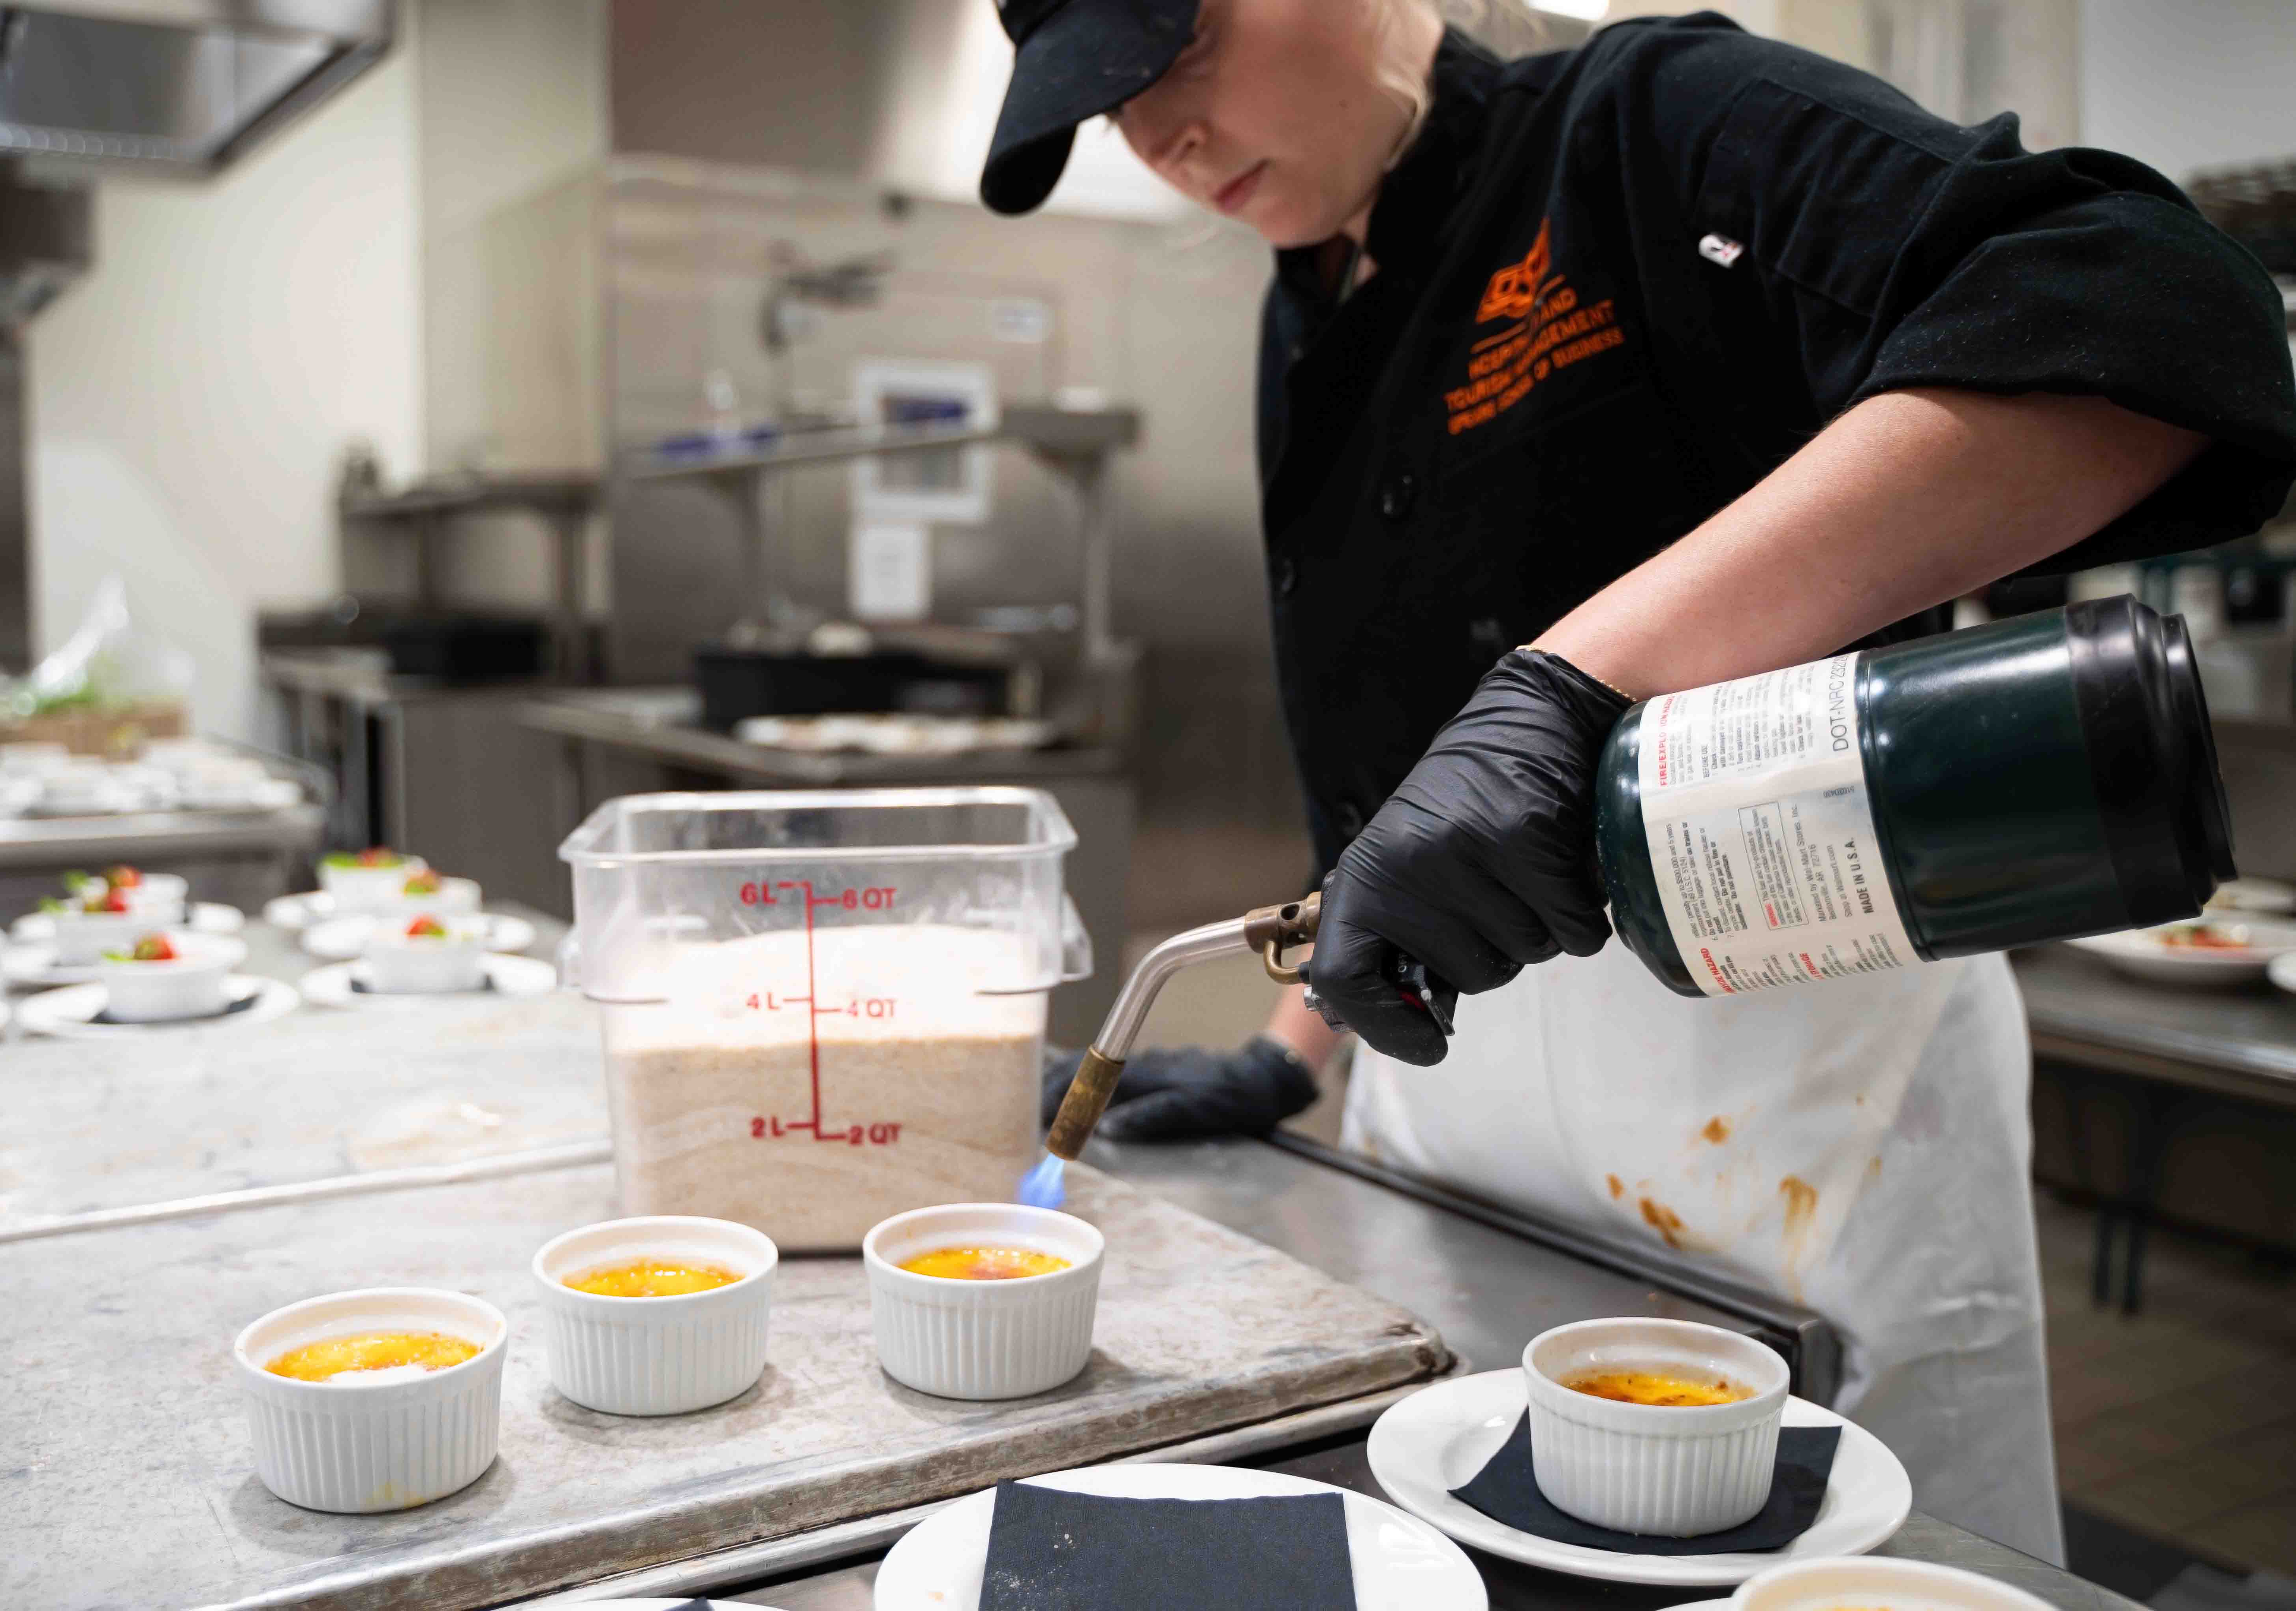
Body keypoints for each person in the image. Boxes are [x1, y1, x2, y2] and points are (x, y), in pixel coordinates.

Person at [982, 0, 2296, 1564]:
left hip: (1785, 1079)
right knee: (1473, 1551)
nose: (1156, 138)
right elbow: (1405, 763)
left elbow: (2146, 308)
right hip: (1453, 1124)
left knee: (1846, 1572)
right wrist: (1295, 1045)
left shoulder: (1645, 121)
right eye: (1105, 111)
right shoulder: (1309, 306)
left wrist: (1577, 685)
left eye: (1173, 55)